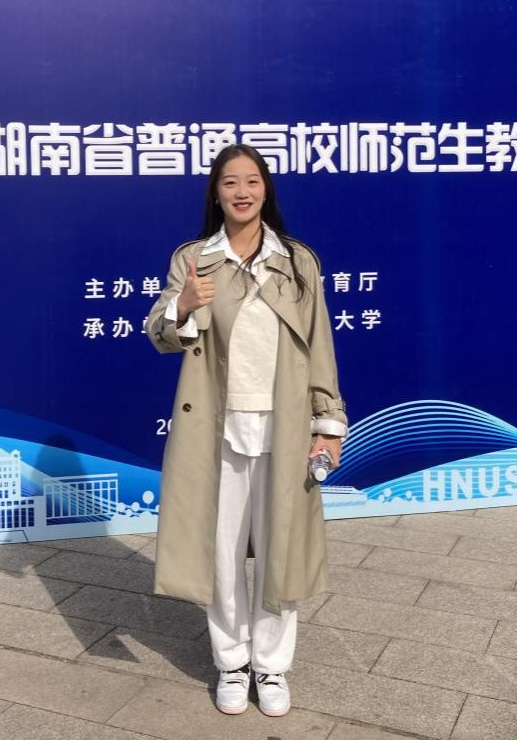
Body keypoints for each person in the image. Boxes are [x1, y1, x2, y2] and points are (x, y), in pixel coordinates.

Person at [146, 143, 348, 717]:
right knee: (222, 551)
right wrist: (184, 304)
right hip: (217, 430)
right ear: (215, 193)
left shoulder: (297, 262)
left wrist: (329, 424)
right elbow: (160, 332)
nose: (242, 191)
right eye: (230, 182)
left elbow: (320, 346)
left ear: (266, 190)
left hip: (286, 428)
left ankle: (272, 667)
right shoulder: (194, 259)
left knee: (282, 550)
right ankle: (232, 663)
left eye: (252, 181)